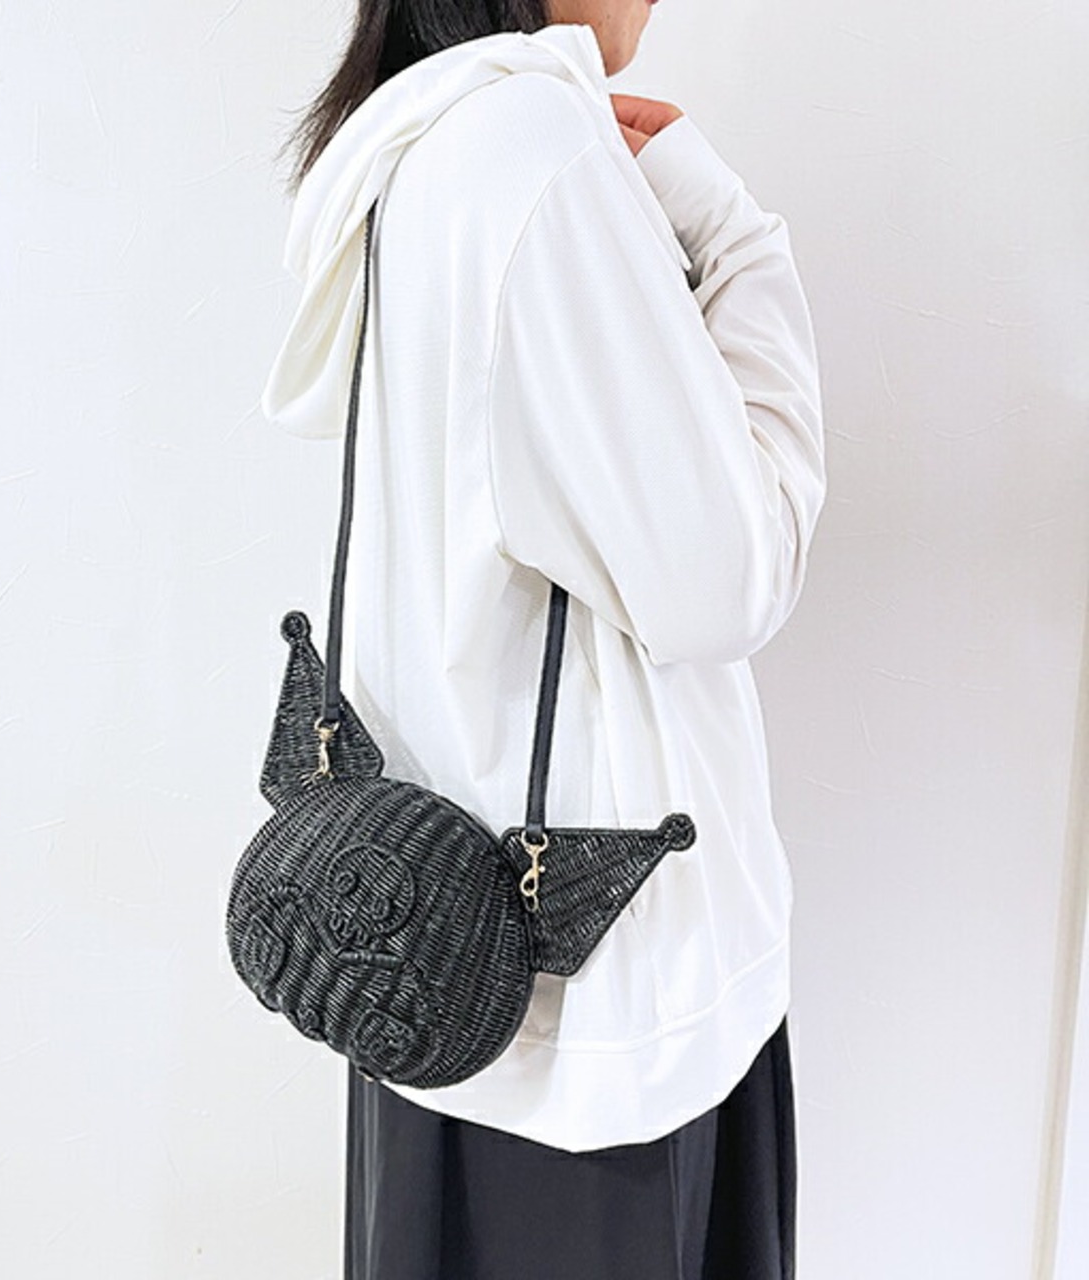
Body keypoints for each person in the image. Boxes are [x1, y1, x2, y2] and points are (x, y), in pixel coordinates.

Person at [259, 2, 826, 1276]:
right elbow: (729, 579)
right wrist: (735, 237)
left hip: (423, 960)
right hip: (597, 1019)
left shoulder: (413, 142)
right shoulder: (535, 148)